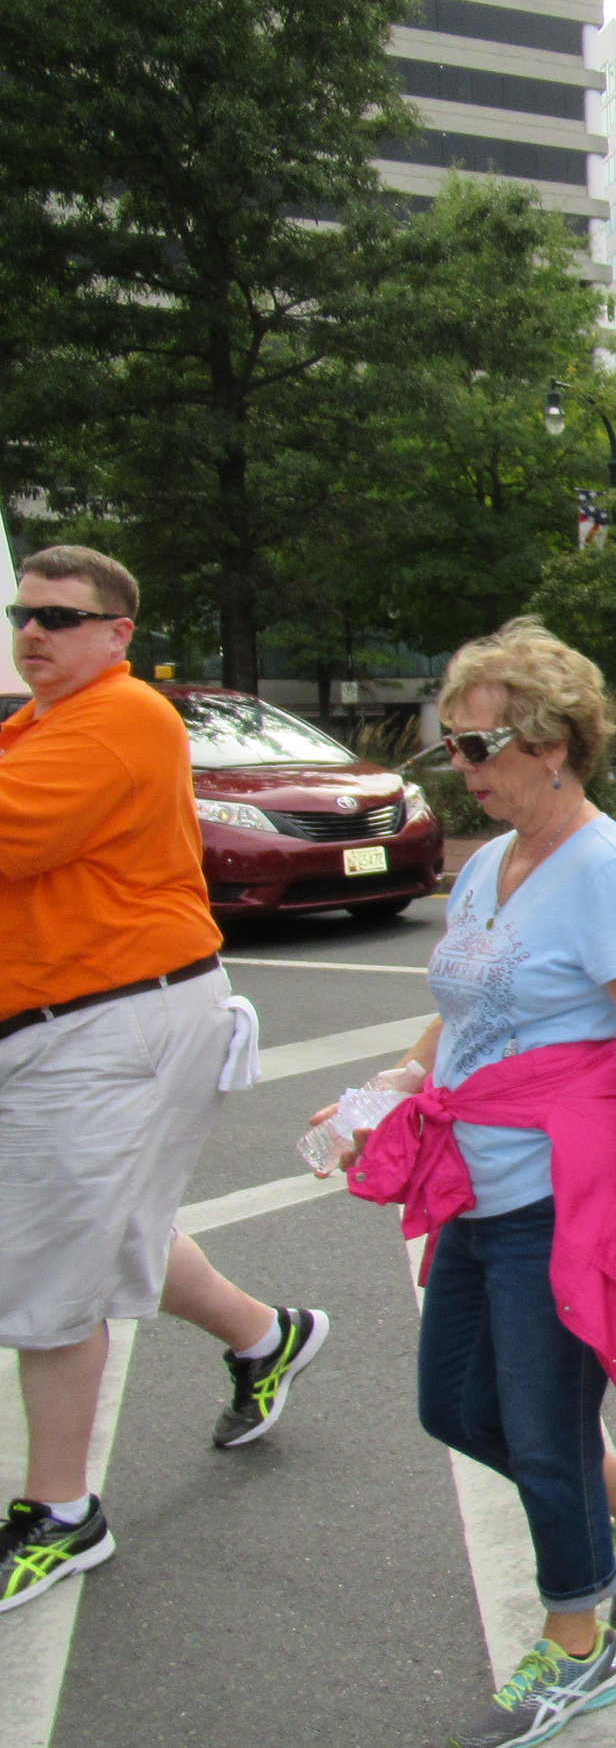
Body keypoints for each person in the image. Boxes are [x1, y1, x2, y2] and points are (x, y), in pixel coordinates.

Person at [329, 618, 616, 1744]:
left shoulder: (605, 867)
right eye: (450, 747)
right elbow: (461, 1002)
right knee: (451, 1405)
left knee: (543, 1424)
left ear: (552, 744)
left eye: (479, 746)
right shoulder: (496, 862)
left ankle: (580, 1640)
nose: (462, 769)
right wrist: (388, 1087)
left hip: (564, 1195)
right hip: (480, 1183)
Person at [0, 545, 325, 1617]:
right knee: (118, 1226)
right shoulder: (41, 724)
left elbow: (15, 832)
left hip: (106, 1024)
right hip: (88, 1022)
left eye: (59, 615)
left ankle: (61, 1512)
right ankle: (265, 1336)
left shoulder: (124, 714)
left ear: (117, 633)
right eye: (23, 613)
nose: (34, 631)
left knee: (56, 1268)